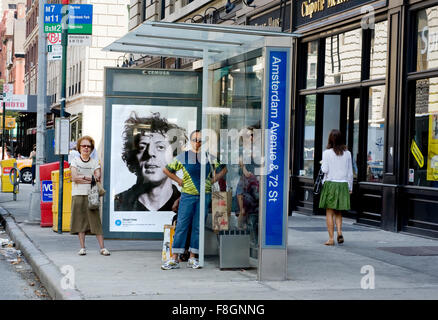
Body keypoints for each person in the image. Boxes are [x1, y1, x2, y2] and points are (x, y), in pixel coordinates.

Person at [161, 130, 227, 270]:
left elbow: (224, 169)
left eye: (200, 140)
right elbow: (167, 170)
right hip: (187, 196)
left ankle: (192, 258)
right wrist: (179, 180)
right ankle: (174, 259)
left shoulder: (209, 157)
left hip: (205, 196)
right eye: (195, 140)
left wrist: (212, 180)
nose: (197, 143)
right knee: (181, 226)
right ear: (190, 141)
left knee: (198, 227)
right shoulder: (183, 156)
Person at [114, 112, 186, 212]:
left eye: (160, 147)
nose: (150, 153)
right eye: (142, 147)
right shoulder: (119, 204)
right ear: (132, 156)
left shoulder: (185, 203)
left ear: (174, 156)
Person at [70, 135, 110, 256]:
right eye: (83, 146)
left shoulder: (94, 162)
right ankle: (82, 248)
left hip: (91, 196)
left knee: (95, 221)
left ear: (91, 149)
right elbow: (74, 177)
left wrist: (83, 177)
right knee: (80, 222)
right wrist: (90, 178)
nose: (86, 148)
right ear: (79, 148)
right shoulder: (75, 161)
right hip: (78, 195)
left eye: (88, 146)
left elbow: (97, 177)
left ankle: (102, 248)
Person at [319, 129, 353, 246]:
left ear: (330, 140)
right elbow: (350, 172)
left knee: (329, 212)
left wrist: (323, 162)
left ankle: (331, 239)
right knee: (338, 212)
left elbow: (325, 170)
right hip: (343, 184)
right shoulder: (348, 153)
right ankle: (339, 232)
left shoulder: (327, 153)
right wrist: (350, 186)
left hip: (331, 184)